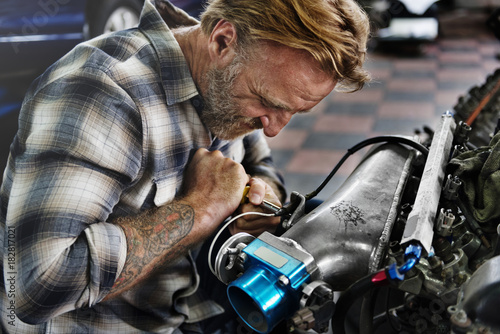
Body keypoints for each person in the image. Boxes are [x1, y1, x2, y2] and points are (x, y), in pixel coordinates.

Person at [0, 0, 370, 332]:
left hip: (198, 310)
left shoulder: (235, 81)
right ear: (223, 41)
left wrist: (261, 196)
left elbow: (260, 163)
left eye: (295, 112)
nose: (273, 128)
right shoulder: (99, 93)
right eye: (267, 103)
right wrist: (201, 210)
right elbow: (35, 288)